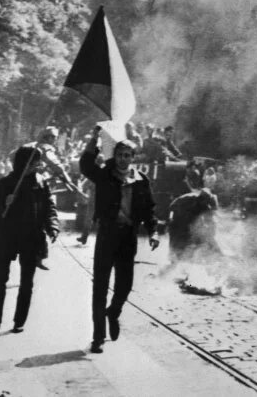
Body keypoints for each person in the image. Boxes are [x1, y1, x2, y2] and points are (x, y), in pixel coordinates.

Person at [80, 126, 160, 354]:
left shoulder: (141, 181)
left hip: (128, 238)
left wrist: (153, 231)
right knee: (100, 287)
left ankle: (113, 313)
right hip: (107, 235)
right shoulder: (105, 174)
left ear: (133, 158)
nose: (123, 159)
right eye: (119, 155)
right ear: (114, 156)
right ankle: (98, 337)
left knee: (124, 286)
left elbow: (149, 210)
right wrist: (94, 138)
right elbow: (86, 165)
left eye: (127, 155)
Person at [0, 146, 59, 338]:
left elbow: (49, 208)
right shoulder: (5, 183)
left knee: (27, 282)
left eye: (37, 163)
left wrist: (53, 227)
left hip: (31, 237)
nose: (35, 167)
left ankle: (19, 321)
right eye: (32, 163)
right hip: (7, 237)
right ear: (20, 163)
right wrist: (4, 203)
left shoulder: (41, 183)